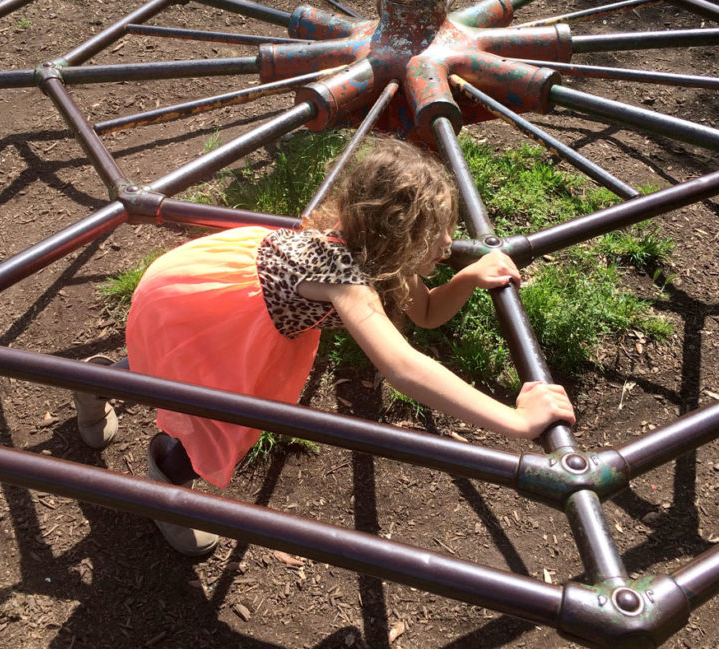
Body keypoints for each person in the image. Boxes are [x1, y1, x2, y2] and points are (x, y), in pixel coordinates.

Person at [110, 138, 575, 558]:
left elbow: (427, 313)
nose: (450, 243)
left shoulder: (371, 246)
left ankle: (99, 385)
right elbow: (404, 369)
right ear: (399, 233)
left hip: (211, 303)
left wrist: (469, 277)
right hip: (202, 306)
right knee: (218, 421)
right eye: (437, 232)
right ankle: (166, 476)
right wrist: (515, 421)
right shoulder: (342, 277)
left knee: (170, 360)